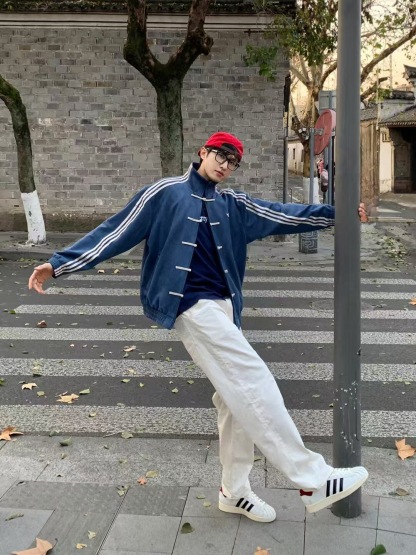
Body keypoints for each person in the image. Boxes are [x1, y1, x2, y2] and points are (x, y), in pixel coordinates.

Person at [29, 131, 368, 524]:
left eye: (233, 161)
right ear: (203, 152)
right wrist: (60, 264)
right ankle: (312, 479)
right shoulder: (165, 193)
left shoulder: (233, 205)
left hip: (224, 308)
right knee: (251, 378)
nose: (226, 165)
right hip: (190, 306)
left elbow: (284, 214)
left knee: (234, 399)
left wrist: (337, 215)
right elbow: (116, 231)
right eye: (221, 156)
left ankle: (234, 492)